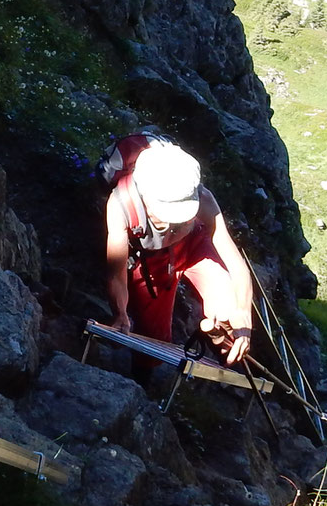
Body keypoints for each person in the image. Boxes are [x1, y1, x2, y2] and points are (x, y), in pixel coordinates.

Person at [100, 133, 257, 365]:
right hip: (152, 263)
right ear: (144, 195)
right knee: (154, 339)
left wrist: (243, 311)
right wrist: (120, 313)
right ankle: (148, 377)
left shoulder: (203, 198)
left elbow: (234, 260)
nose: (171, 222)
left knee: (228, 308)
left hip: (193, 246)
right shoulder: (120, 204)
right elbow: (117, 274)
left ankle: (224, 342)